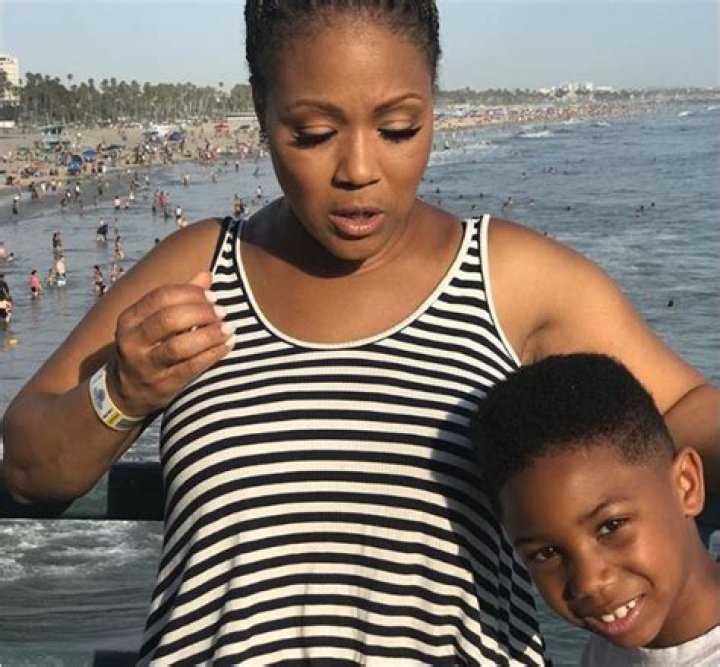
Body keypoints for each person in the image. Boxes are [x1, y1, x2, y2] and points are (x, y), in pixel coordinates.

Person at [2, 2, 717, 664]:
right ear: (261, 108)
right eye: (314, 134)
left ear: (432, 101)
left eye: (399, 128)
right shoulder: (196, 270)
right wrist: (122, 392)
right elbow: (29, 469)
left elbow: (684, 411)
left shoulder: (512, 278)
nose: (359, 170)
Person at [473, 354, 720, 666]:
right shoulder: (608, 651)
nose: (588, 582)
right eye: (546, 552)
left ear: (686, 484)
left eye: (611, 526)